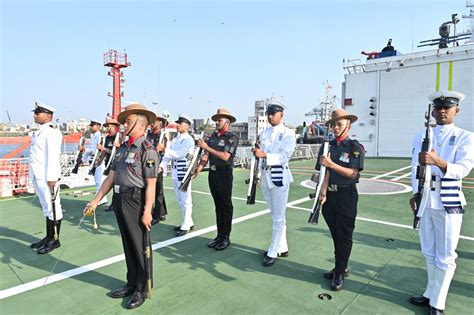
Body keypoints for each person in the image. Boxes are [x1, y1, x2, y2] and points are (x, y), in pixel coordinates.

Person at [84, 103, 158, 309]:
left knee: (140, 245)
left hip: (136, 200)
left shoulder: (147, 150)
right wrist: (96, 200)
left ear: (140, 124)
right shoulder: (123, 148)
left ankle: (142, 289)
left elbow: (151, 184)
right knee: (127, 243)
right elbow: (111, 177)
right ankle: (132, 283)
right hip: (119, 199)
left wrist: (147, 211)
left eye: (127, 121)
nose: (123, 125)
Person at [408, 90, 473, 315]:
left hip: (448, 199)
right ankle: (429, 293)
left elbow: (463, 169)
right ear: (433, 111)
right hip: (425, 199)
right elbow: (414, 170)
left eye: (447, 107)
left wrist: (437, 161)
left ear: (457, 110)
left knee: (446, 255)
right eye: (439, 107)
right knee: (429, 251)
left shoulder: (466, 136)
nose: (442, 111)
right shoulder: (421, 136)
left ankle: (438, 302)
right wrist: (415, 194)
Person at [316, 108, 364, 291]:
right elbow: (325, 171)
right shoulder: (327, 146)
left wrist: (331, 164)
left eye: (339, 124)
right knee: (336, 234)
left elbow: (352, 174)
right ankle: (340, 266)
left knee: (344, 236)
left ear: (348, 126)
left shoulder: (354, 147)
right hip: (330, 196)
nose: (335, 127)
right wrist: (323, 190)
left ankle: (339, 272)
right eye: (333, 124)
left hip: (346, 196)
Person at [251, 99, 295, 266]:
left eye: (273, 114)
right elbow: (261, 153)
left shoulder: (289, 133)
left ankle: (273, 250)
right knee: (276, 215)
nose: (270, 116)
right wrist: (257, 153)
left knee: (278, 217)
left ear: (281, 115)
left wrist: (264, 155)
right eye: (268, 114)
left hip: (279, 177)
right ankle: (282, 247)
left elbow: (285, 156)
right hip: (265, 177)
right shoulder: (264, 133)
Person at [194, 109, 239, 251]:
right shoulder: (213, 136)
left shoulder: (231, 137)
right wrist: (199, 168)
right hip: (212, 174)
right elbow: (206, 155)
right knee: (217, 205)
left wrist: (207, 146)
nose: (217, 122)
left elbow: (226, 156)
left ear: (227, 121)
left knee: (225, 206)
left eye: (219, 120)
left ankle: (226, 236)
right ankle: (219, 235)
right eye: (216, 120)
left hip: (224, 174)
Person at [29, 102, 64, 254]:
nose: (35, 115)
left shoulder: (53, 133)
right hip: (38, 176)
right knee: (46, 208)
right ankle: (48, 237)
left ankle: (55, 240)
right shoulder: (40, 132)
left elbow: (53, 156)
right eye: (35, 112)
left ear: (48, 116)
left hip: (48, 178)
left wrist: (52, 178)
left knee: (53, 208)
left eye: (38, 112)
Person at [158, 115, 195, 236]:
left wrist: (164, 149)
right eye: (178, 123)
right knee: (180, 199)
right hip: (175, 171)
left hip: (184, 171)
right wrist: (161, 167)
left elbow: (180, 154)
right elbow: (168, 156)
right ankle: (188, 221)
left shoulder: (188, 140)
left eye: (180, 123)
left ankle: (186, 225)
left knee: (185, 199)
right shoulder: (175, 139)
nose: (178, 125)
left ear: (187, 126)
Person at [80, 119, 107, 205]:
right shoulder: (94, 135)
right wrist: (84, 158)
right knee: (97, 180)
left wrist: (84, 150)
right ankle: (102, 198)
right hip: (93, 160)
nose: (91, 127)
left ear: (98, 126)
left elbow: (94, 150)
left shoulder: (99, 136)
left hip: (98, 160)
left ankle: (100, 199)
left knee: (99, 180)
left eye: (93, 125)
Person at [147, 115, 169, 224]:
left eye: (154, 122)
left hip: (158, 165)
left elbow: (165, 152)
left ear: (160, 123)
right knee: (151, 188)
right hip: (148, 164)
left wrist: (163, 149)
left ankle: (158, 214)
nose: (152, 123)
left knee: (158, 189)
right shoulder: (149, 135)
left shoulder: (162, 137)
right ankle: (161, 212)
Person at [99, 117, 121, 212]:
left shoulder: (119, 137)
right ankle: (113, 204)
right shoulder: (107, 138)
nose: (108, 128)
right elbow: (105, 152)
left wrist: (118, 145)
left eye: (110, 126)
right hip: (108, 163)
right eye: (108, 127)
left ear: (115, 127)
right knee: (110, 184)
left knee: (116, 185)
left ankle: (116, 205)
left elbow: (121, 150)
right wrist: (99, 161)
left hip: (117, 163)